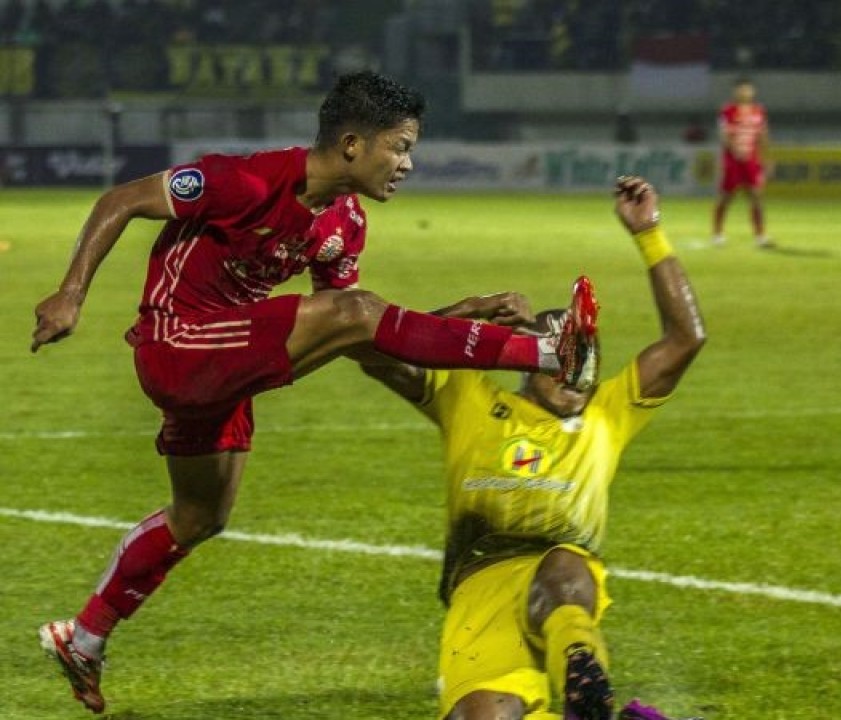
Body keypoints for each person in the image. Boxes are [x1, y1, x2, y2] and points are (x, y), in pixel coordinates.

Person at [30, 70, 598, 715]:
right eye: (402, 146)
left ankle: (84, 638)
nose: (408, 164)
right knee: (354, 314)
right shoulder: (245, 181)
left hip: (225, 366)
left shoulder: (345, 223)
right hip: (177, 346)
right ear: (353, 143)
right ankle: (551, 351)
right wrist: (70, 293)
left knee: (200, 516)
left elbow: (355, 332)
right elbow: (120, 199)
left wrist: (457, 318)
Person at [361, 176, 706, 720]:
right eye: (561, 355)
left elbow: (687, 338)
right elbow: (374, 348)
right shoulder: (469, 397)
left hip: (562, 573)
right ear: (526, 363)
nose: (577, 371)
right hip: (479, 586)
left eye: (586, 357)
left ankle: (580, 667)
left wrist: (650, 235)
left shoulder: (607, 413)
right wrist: (469, 312)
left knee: (564, 573)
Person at [711, 77, 772, 249]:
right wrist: (734, 150)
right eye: (741, 89)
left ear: (753, 92)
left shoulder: (759, 111)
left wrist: (766, 159)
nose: (745, 92)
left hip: (752, 160)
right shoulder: (728, 111)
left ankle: (760, 235)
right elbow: (724, 134)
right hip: (733, 161)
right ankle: (717, 233)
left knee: (756, 197)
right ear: (735, 92)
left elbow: (763, 135)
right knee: (726, 197)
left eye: (748, 89)